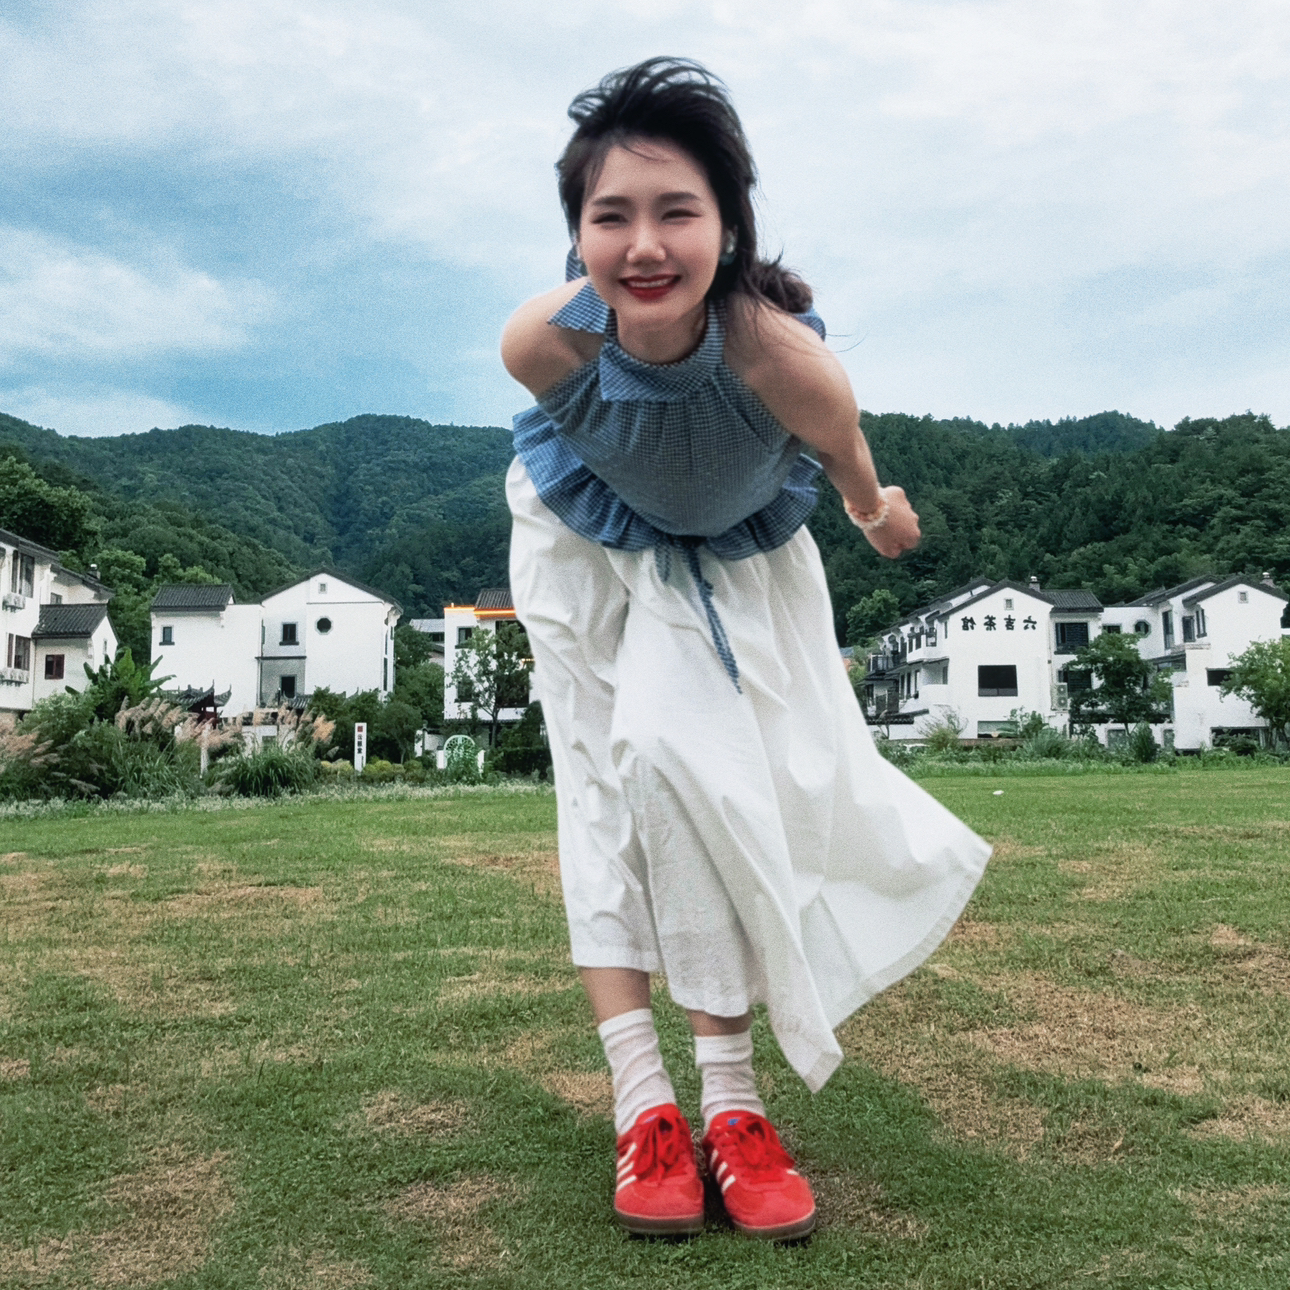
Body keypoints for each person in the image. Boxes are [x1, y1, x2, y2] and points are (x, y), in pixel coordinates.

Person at [500, 57, 990, 1241]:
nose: (643, 244)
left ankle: (731, 1101)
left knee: (695, 768)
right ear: (577, 235)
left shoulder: (778, 356)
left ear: (729, 226)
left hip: (732, 560)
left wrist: (878, 517)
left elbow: (850, 462)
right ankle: (646, 1104)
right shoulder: (539, 344)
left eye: (677, 211)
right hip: (579, 548)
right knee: (603, 791)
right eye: (610, 216)